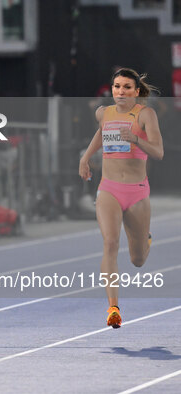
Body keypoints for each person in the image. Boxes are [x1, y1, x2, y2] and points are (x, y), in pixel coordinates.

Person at [79, 68, 164, 329]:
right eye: (117, 86)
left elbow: (158, 152)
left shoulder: (145, 115)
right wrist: (85, 158)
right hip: (109, 189)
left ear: (136, 91)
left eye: (127, 87)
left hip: (137, 191)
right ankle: (113, 308)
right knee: (111, 243)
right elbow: (101, 133)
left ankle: (145, 239)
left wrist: (136, 141)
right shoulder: (104, 113)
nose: (121, 91)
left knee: (138, 259)